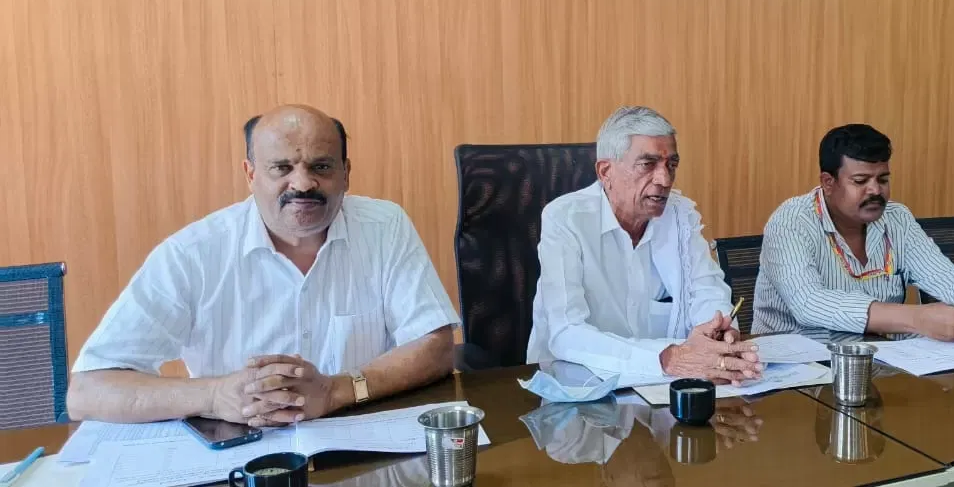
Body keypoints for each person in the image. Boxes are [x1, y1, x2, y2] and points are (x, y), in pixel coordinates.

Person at [67, 105, 459, 427]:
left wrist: (336, 390)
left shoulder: (385, 227)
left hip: (365, 442)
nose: (302, 184)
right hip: (238, 455)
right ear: (251, 174)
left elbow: (435, 346)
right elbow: (87, 391)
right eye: (282, 168)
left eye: (321, 167)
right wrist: (214, 395)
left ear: (346, 174)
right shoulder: (193, 254)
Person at [527, 106, 762, 383]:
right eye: (647, 164)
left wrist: (719, 333)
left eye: (671, 165)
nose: (665, 179)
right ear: (605, 171)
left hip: (665, 387)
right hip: (579, 386)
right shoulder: (566, 219)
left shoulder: (680, 216)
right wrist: (665, 359)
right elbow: (566, 333)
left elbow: (706, 291)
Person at [752, 124, 954, 341]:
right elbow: (809, 304)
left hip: (884, 361)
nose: (875, 191)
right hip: (802, 368)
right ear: (828, 182)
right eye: (860, 181)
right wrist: (916, 318)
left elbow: (948, 278)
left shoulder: (896, 218)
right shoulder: (791, 221)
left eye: (883, 179)